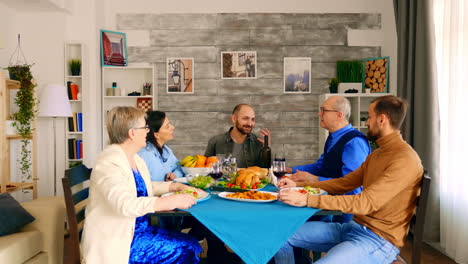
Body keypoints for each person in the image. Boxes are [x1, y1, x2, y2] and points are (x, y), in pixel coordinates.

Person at [275, 95, 424, 264]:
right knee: (278, 236)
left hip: (378, 240)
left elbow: (365, 202)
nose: (366, 122)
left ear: (382, 120)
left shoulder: (404, 159)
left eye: (369, 117)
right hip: (354, 228)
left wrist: (307, 199)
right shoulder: (377, 154)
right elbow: (344, 183)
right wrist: (300, 185)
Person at [81, 106, 205, 264]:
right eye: (145, 127)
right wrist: (168, 201)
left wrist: (175, 187)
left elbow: (143, 187)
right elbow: (124, 204)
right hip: (120, 240)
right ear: (132, 133)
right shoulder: (109, 162)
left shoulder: (134, 158)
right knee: (184, 249)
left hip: (137, 230)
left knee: (191, 243)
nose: (148, 131)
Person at [287, 96, 371, 223]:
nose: (319, 113)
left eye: (324, 110)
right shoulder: (333, 138)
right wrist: (291, 170)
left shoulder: (355, 143)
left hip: (342, 217)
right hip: (326, 206)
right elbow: (320, 167)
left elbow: (352, 187)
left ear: (339, 115)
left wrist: (314, 179)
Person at [205, 104, 270, 168]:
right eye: (245, 118)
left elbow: (268, 171)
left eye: (252, 119)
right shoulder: (215, 142)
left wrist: (267, 149)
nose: (250, 124)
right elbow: (205, 169)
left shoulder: (259, 142)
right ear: (234, 118)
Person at [138, 110, 184, 182]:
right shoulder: (145, 154)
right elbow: (153, 183)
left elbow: (179, 168)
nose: (173, 127)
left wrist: (175, 175)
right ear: (156, 134)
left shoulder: (166, 150)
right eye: (167, 126)